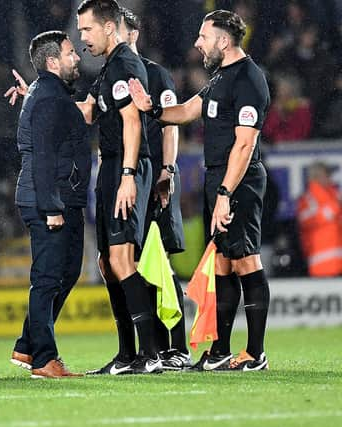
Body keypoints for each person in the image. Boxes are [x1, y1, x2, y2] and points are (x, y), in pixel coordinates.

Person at [129, 9, 271, 371]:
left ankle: (255, 353)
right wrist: (152, 109)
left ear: (224, 41)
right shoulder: (220, 78)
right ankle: (221, 349)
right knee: (222, 263)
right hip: (219, 179)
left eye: (203, 37)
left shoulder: (249, 79)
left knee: (244, 259)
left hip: (237, 180)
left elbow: (244, 145)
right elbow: (189, 110)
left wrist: (225, 194)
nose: (197, 43)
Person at [77, 0, 160, 375]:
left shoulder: (126, 64)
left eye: (87, 30)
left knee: (122, 260)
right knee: (108, 264)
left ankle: (153, 352)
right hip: (109, 168)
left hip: (125, 167)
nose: (83, 39)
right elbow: (89, 112)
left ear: (109, 27)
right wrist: (39, 95)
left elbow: (132, 121)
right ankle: (128, 355)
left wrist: (128, 175)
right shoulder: (108, 67)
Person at [10, 30, 90, 379]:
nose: (77, 58)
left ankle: (28, 345)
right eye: (71, 53)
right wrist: (52, 206)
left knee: (67, 273)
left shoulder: (50, 94)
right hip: (48, 199)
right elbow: (42, 155)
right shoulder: (47, 97)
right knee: (47, 279)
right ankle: (44, 358)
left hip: (58, 197)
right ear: (53, 61)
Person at [118, 8, 190, 371]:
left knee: (158, 259)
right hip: (130, 179)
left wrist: (168, 169)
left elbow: (170, 125)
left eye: (123, 30)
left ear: (134, 32)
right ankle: (152, 347)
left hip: (153, 178)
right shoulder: (113, 71)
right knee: (136, 261)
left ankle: (178, 345)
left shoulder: (155, 74)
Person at [296, 161, 342, 277]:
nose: (330, 178)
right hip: (322, 264)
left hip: (338, 262)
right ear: (316, 177)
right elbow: (306, 221)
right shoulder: (308, 199)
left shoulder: (335, 195)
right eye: (327, 174)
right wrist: (333, 208)